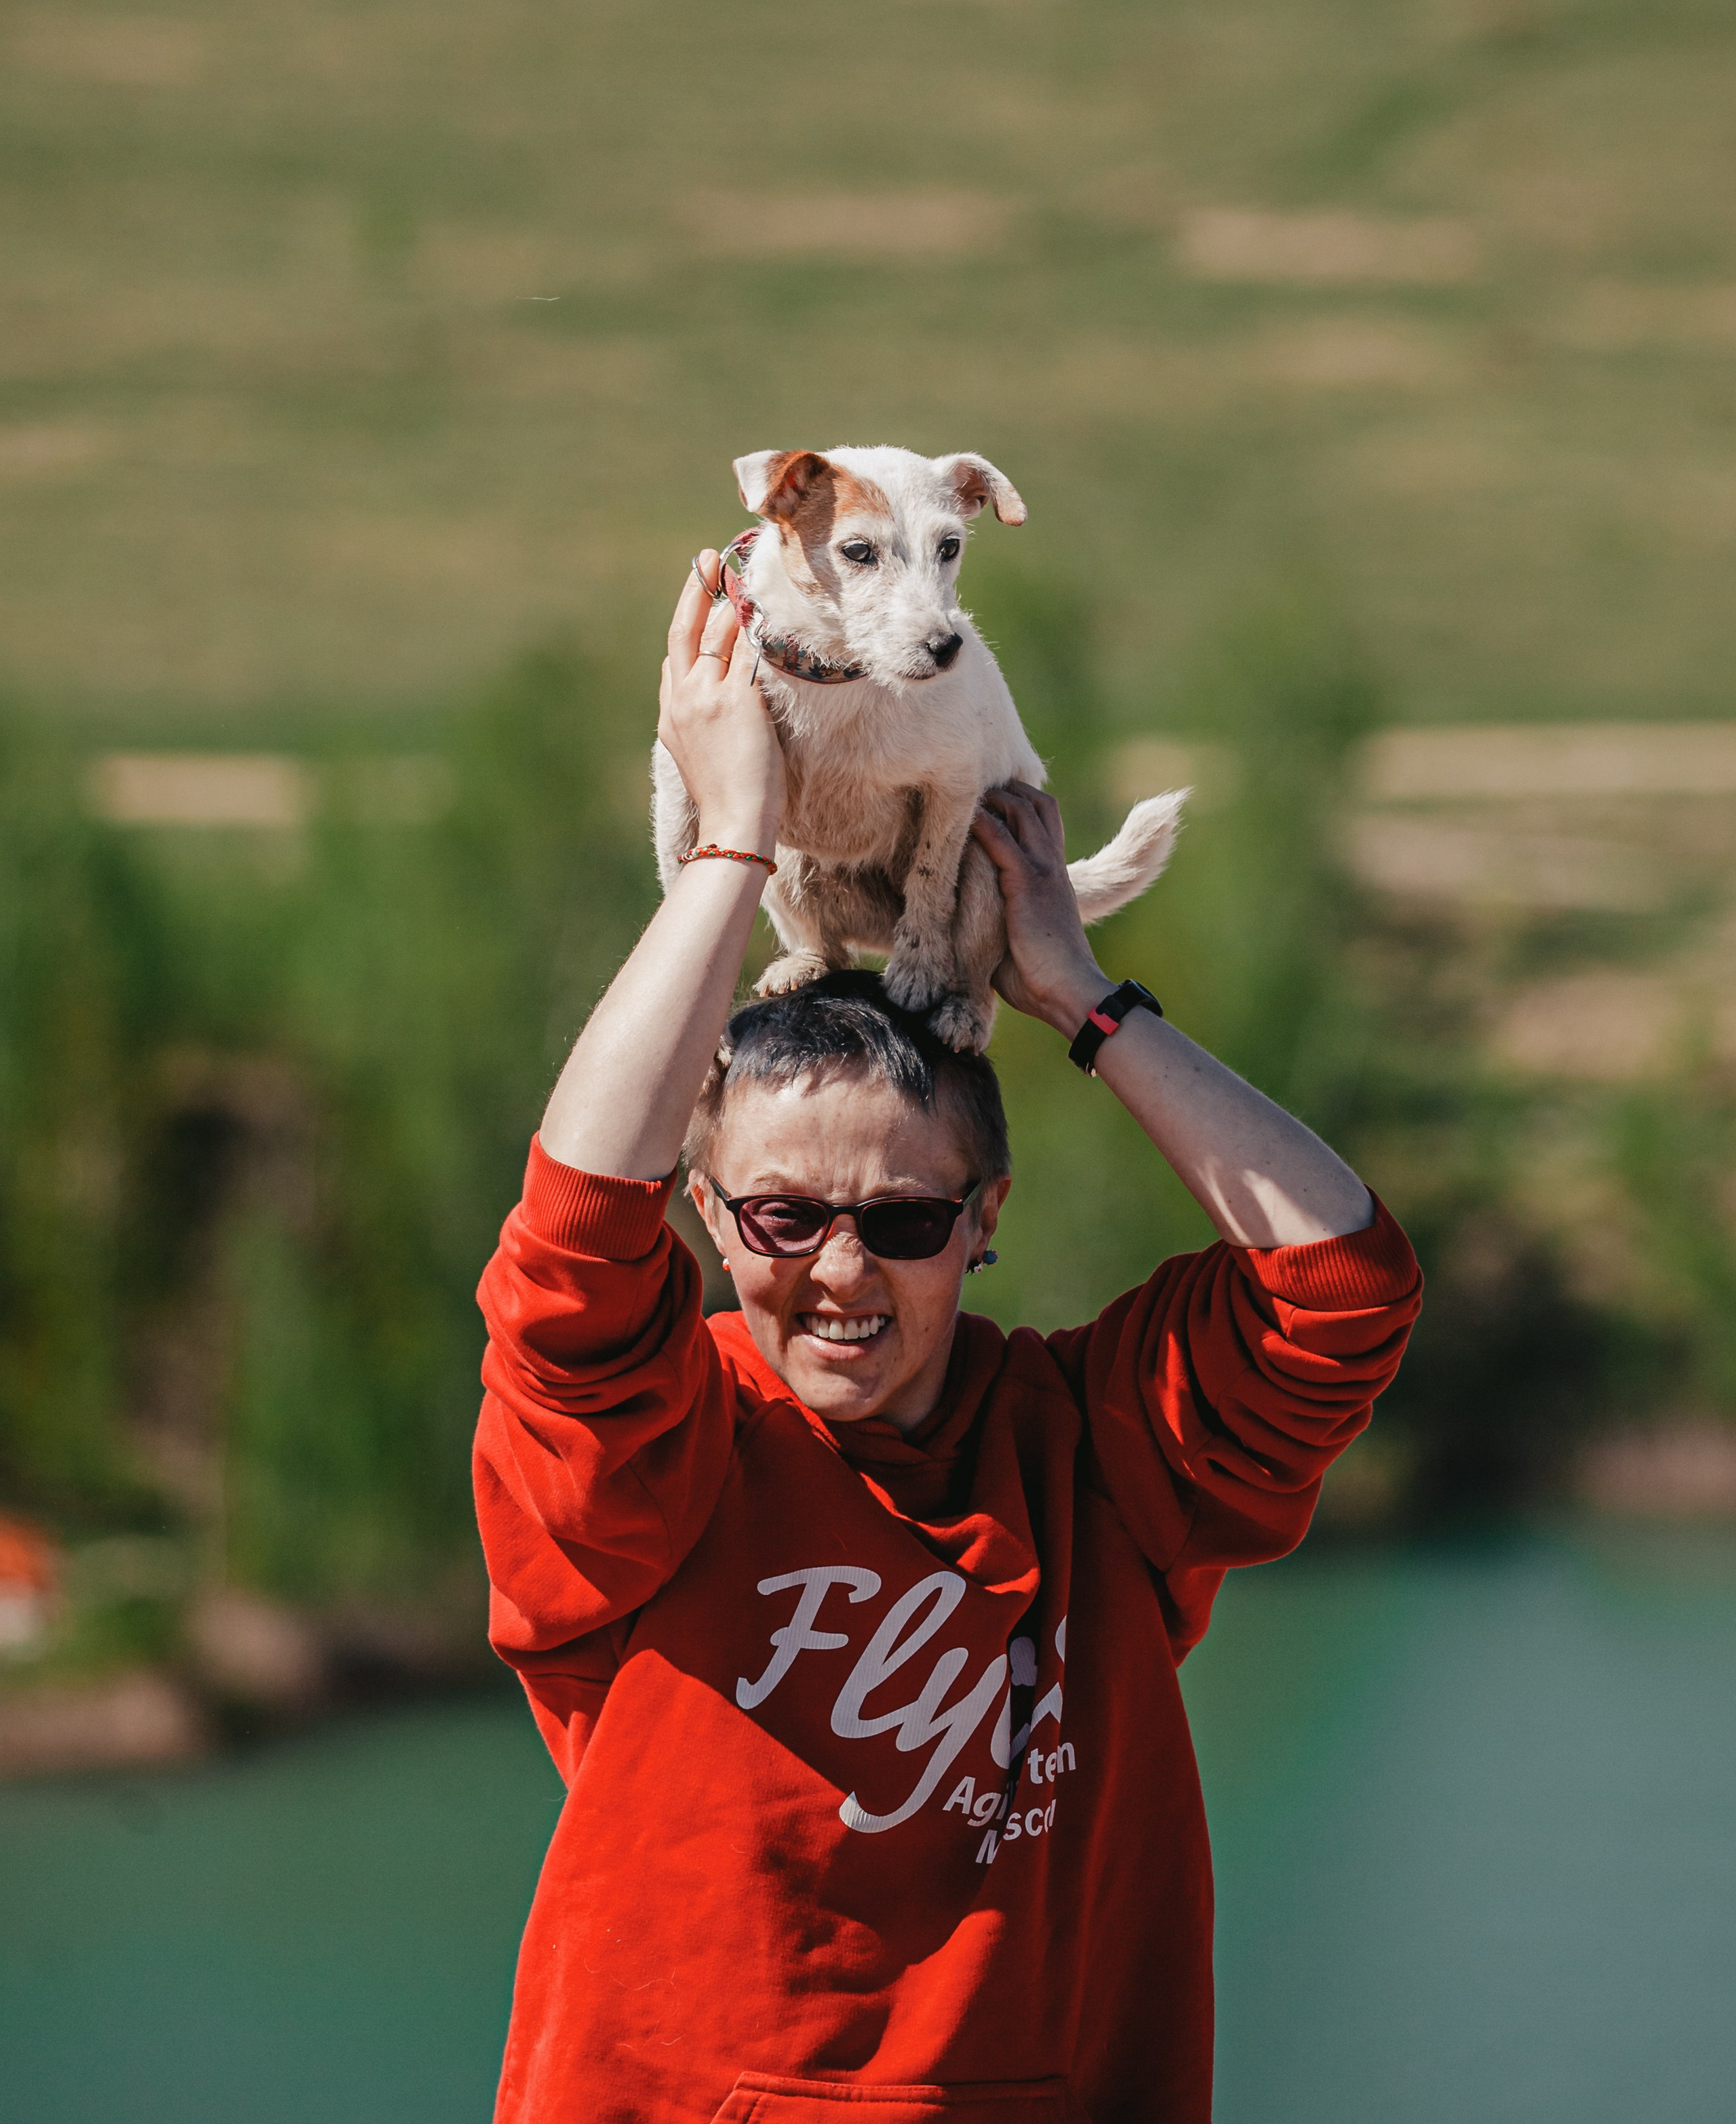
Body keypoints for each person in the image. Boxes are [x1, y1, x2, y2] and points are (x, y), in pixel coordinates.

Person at [474, 557, 1421, 2124]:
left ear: (983, 1219)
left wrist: (1081, 999)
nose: (840, 1270)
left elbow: (1339, 1288)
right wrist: (729, 849)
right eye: (781, 1217)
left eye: (903, 1221)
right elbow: (572, 1237)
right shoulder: (641, 1454)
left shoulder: (1095, 1453)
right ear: (706, 1215)